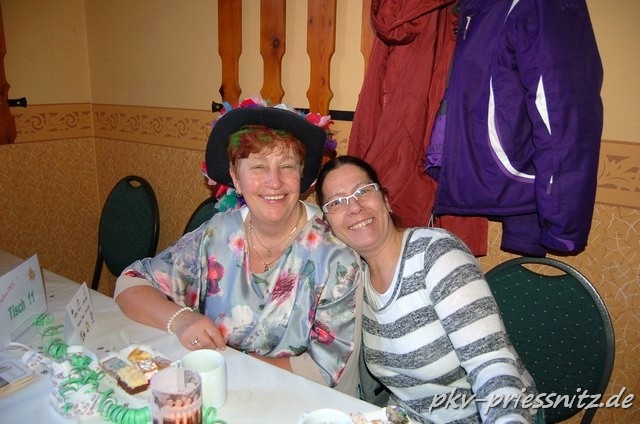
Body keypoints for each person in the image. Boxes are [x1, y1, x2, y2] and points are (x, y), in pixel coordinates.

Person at [114, 100, 363, 396]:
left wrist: (228, 364)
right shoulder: (218, 234)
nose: (274, 182)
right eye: (258, 167)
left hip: (299, 402)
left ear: (301, 176)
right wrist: (181, 320)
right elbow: (130, 284)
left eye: (286, 166)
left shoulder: (335, 255)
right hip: (223, 394)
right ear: (236, 178)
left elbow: (322, 371)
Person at [315, 155, 540, 423]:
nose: (354, 207)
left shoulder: (436, 254)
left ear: (386, 201)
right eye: (337, 202)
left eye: (363, 191)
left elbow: (490, 362)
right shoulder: (355, 279)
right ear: (329, 224)